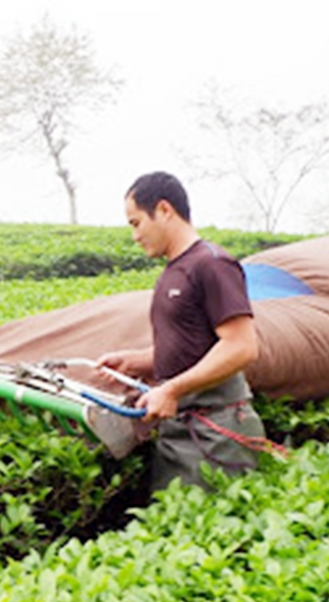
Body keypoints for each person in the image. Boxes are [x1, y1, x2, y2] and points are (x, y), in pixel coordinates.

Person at [97, 171, 274, 491]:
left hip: (215, 430)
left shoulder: (212, 264)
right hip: (180, 427)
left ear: (164, 210)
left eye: (136, 223)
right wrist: (136, 361)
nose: (134, 236)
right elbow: (194, 346)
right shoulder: (173, 271)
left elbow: (242, 347)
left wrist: (171, 390)